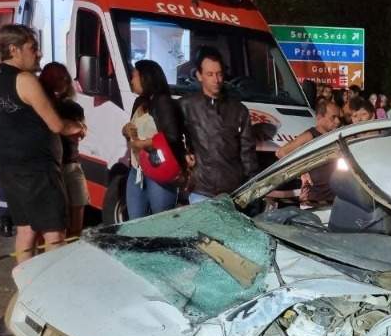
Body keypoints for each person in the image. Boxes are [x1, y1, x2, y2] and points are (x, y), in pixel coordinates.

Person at [0, 24, 84, 262]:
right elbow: (57, 125)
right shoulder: (25, 79)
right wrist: (78, 127)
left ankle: (27, 287)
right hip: (37, 170)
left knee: (26, 230)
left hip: (9, 166)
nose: (39, 53)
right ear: (14, 49)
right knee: (54, 233)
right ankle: (50, 290)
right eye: (33, 48)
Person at [180, 46, 257, 204]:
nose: (216, 79)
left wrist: (253, 188)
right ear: (199, 75)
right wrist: (182, 154)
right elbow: (167, 133)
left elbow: (247, 153)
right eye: (210, 74)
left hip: (232, 192)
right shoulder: (186, 105)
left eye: (219, 74)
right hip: (200, 190)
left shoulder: (239, 110)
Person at [122, 59, 186, 219]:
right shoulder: (139, 102)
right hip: (137, 171)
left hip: (159, 171)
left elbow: (172, 137)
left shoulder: (163, 102)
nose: (132, 80)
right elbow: (133, 130)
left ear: (146, 78)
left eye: (134, 76)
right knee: (135, 224)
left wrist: (142, 143)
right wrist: (126, 130)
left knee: (160, 223)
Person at [40, 63, 88, 236]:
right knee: (54, 225)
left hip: (71, 164)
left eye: (62, 77)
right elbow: (74, 129)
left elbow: (79, 132)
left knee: (78, 210)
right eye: (54, 78)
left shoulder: (72, 107)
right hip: (50, 168)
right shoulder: (39, 105)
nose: (59, 81)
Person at [274, 98, 341, 208]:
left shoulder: (335, 137)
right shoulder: (310, 135)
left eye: (339, 117)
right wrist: (301, 171)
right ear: (319, 117)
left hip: (334, 200)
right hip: (313, 202)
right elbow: (281, 152)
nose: (338, 121)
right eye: (333, 117)